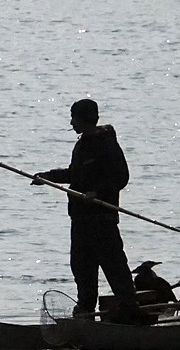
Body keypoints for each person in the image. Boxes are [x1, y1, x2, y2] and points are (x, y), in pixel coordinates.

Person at [33, 97, 136, 316]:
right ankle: (86, 310)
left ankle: (130, 310)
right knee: (81, 267)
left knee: (114, 266)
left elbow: (121, 177)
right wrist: (47, 177)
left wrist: (98, 193)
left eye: (73, 118)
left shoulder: (107, 144)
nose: (71, 123)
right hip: (80, 219)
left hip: (102, 219)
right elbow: (74, 174)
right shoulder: (81, 145)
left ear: (84, 119)